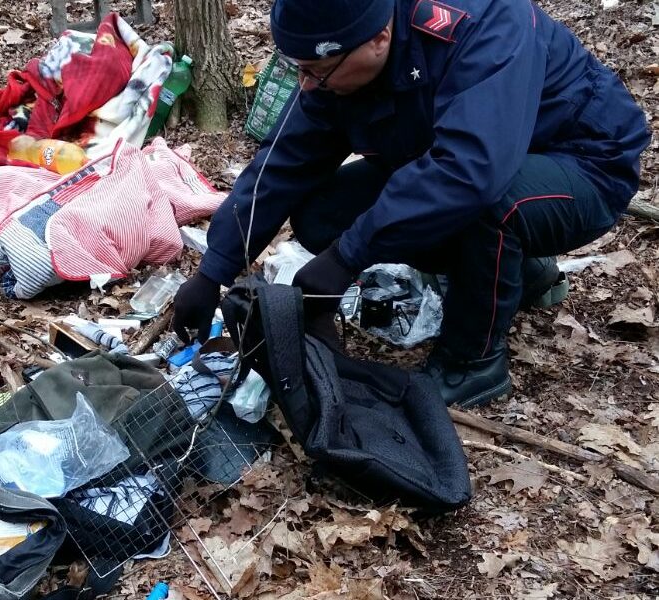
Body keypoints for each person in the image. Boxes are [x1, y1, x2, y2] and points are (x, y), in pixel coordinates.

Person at [172, 0, 650, 408]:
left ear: (380, 38)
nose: (308, 87)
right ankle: (521, 272)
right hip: (469, 158)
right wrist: (213, 271)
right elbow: (285, 163)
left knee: (485, 204)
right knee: (324, 213)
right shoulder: (340, 50)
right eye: (300, 70)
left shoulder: (482, 24)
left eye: (317, 72)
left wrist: (346, 258)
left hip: (584, 162)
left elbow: (471, 170)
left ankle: (474, 362)